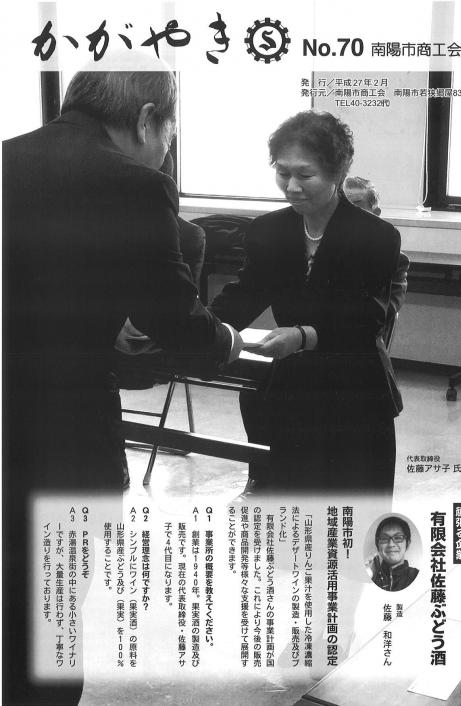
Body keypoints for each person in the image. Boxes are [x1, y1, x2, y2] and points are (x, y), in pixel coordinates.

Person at [3, 68, 242, 705]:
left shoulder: (7, 159)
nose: (165, 150)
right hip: (63, 428)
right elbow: (174, 317)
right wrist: (228, 340)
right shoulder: (134, 182)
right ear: (145, 118)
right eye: (169, 134)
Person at [210, 111, 403, 492]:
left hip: (357, 393)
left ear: (338, 172)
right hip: (293, 391)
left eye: (305, 174)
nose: (292, 186)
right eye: (283, 173)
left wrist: (302, 336)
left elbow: (366, 319)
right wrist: (198, 325)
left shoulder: (375, 235)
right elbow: (244, 294)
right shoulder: (269, 230)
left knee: (353, 512)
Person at [343, 175, 410, 322]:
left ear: (376, 214)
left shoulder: (395, 259)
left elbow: (385, 310)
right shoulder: (320, 249)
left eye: (357, 209)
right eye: (342, 209)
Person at [366, 516, 419, 591]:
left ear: (407, 543)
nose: (391, 544)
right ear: (377, 545)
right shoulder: (369, 576)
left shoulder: (417, 576)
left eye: (398, 538)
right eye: (384, 538)